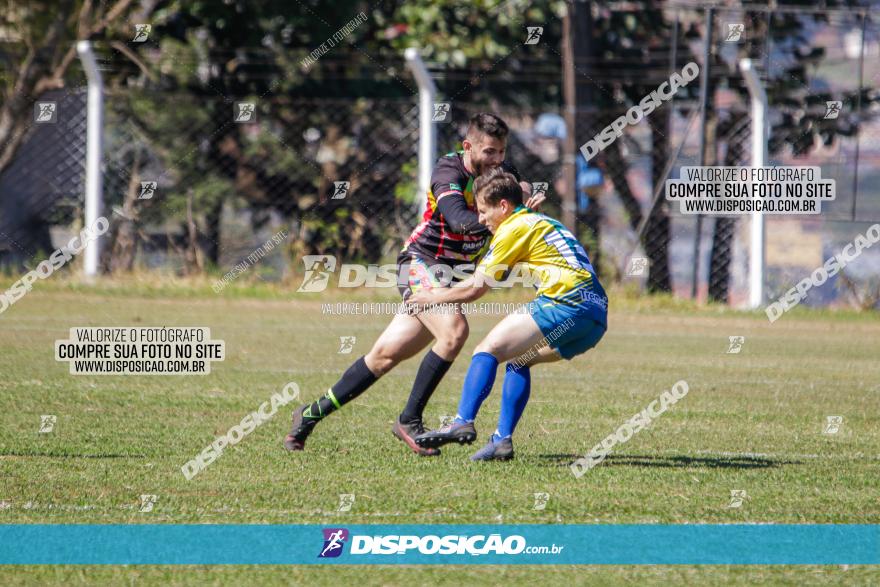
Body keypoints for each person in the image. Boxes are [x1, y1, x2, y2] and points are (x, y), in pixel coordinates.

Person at [284, 113, 545, 456]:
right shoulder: (448, 173)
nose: (496, 160)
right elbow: (460, 221)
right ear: (468, 147)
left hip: (453, 275)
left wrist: (522, 199)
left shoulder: (501, 171)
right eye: (489, 152)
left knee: (383, 356)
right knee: (453, 332)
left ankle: (309, 414)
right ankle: (409, 419)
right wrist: (513, 212)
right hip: (421, 263)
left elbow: (518, 196)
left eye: (501, 152)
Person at [409, 168, 609, 461]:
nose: (479, 219)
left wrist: (432, 296)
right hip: (596, 317)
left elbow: (476, 288)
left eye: (482, 210)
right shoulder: (540, 221)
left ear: (503, 206)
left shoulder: (513, 227)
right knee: (519, 360)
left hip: (564, 300)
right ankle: (501, 441)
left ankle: (462, 421)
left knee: (486, 350)